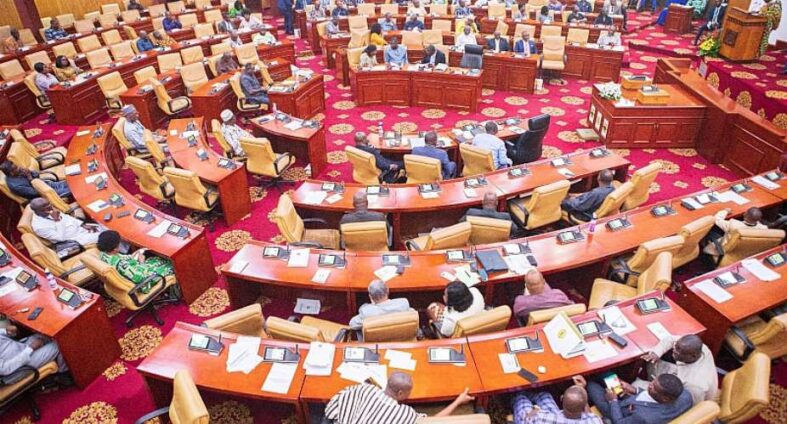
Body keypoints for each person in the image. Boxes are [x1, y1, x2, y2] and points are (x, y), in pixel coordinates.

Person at [324, 372, 475, 423]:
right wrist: (458, 400)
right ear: (401, 394)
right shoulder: (406, 414)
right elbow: (433, 421)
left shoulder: (363, 389)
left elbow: (330, 411)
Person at [637, 334, 718, 404]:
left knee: (636, 384)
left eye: (679, 351)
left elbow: (682, 406)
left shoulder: (695, 386)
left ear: (693, 356)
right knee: (652, 361)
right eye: (676, 347)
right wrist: (656, 354)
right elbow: (671, 339)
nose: (674, 351)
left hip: (682, 395)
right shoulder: (701, 348)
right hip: (679, 374)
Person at [587, 374, 693, 424]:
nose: (650, 386)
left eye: (654, 388)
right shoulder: (685, 396)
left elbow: (619, 422)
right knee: (607, 374)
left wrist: (613, 401)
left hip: (618, 411)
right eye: (652, 382)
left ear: (665, 398)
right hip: (633, 400)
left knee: (591, 384)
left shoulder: (643, 417)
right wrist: (635, 390)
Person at [0, 319, 68, 384]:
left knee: (47, 334)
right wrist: (31, 348)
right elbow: (6, 369)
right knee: (58, 344)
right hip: (21, 367)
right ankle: (63, 373)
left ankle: (61, 359)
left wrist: (7, 331)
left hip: (22, 348)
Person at [512, 376, 602, 424]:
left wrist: (536, 410)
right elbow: (589, 415)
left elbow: (528, 418)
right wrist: (581, 389)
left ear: (561, 399)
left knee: (521, 399)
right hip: (556, 415)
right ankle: (530, 394)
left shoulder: (540, 418)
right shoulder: (596, 420)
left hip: (532, 417)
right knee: (545, 395)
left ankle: (518, 395)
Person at [97, 230, 174, 285]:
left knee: (157, 258)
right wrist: (142, 262)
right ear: (115, 249)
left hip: (133, 269)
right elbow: (140, 278)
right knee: (171, 265)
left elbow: (123, 258)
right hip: (144, 280)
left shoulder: (104, 253)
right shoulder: (121, 264)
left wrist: (136, 253)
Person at [29, 198, 100, 247]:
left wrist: (82, 224)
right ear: (37, 211)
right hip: (74, 239)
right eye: (45, 206)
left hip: (80, 229)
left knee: (104, 224)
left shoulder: (49, 210)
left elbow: (67, 217)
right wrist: (57, 220)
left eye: (49, 204)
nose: (50, 207)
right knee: (104, 235)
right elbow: (61, 238)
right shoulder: (39, 227)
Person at [0, 162, 70, 200]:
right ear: (11, 173)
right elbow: (36, 192)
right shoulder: (16, 186)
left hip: (47, 184)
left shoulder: (17, 172)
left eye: (16, 166)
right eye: (16, 168)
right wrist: (29, 177)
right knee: (73, 189)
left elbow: (37, 175)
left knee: (71, 183)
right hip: (46, 194)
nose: (19, 168)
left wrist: (30, 172)